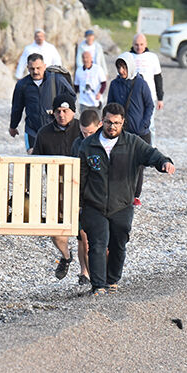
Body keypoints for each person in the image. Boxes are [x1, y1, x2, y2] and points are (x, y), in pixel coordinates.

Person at [75, 103, 174, 295]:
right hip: (94, 205)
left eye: (116, 123)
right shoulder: (88, 145)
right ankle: (98, 285)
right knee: (97, 244)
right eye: (108, 122)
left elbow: (151, 154)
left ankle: (112, 281)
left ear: (123, 123)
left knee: (118, 244)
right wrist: (79, 205)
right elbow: (80, 177)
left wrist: (164, 162)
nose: (112, 126)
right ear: (102, 121)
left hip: (122, 205)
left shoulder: (133, 143)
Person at [32, 94, 83, 280]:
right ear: (52, 113)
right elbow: (35, 162)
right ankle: (66, 256)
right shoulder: (44, 133)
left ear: (73, 112)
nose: (62, 115)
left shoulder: (82, 129)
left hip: (82, 188)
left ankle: (85, 273)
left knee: (84, 234)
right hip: (56, 189)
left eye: (65, 111)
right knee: (55, 231)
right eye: (58, 111)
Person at [105, 52, 157, 204]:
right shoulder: (114, 84)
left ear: (130, 66)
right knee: (119, 162)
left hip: (140, 132)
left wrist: (144, 124)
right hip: (121, 132)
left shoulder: (141, 83)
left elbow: (150, 105)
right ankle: (121, 193)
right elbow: (109, 106)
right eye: (119, 67)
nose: (121, 71)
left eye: (124, 67)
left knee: (138, 165)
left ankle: (135, 195)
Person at [10, 53, 74, 151]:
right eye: (32, 69)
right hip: (32, 130)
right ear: (27, 68)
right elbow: (17, 108)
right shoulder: (22, 85)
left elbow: (71, 97)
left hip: (53, 129)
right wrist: (13, 126)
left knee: (53, 158)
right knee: (32, 157)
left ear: (44, 66)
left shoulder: (57, 80)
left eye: (38, 68)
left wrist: (61, 109)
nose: (35, 71)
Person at [69, 108, 102, 285]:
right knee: (83, 238)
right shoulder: (77, 144)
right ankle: (86, 274)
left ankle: (101, 275)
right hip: (81, 197)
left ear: (99, 126)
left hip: (100, 196)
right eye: (84, 132)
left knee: (100, 240)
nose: (87, 136)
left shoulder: (105, 142)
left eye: (90, 132)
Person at [130, 33, 164, 112]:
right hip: (132, 98)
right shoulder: (127, 57)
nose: (139, 47)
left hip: (150, 96)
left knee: (149, 119)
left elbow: (158, 78)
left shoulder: (152, 57)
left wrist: (160, 98)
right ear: (133, 44)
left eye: (141, 44)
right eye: (136, 45)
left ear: (146, 44)